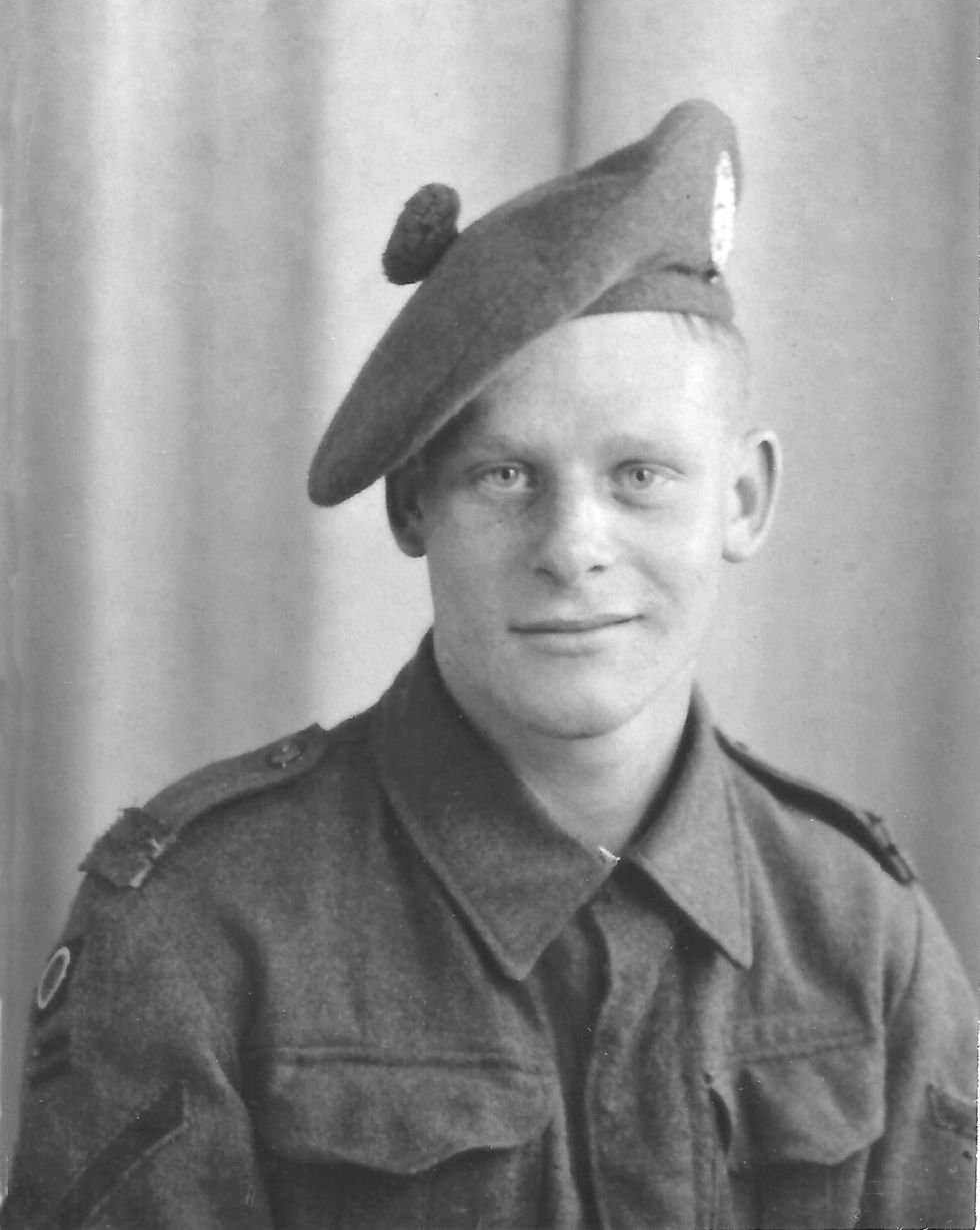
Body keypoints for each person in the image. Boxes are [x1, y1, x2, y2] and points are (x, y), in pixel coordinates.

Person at [2, 100, 976, 1230]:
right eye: (505, 476)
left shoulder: (861, 930)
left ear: (743, 498)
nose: (572, 548)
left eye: (640, 474)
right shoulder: (201, 928)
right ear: (413, 503)